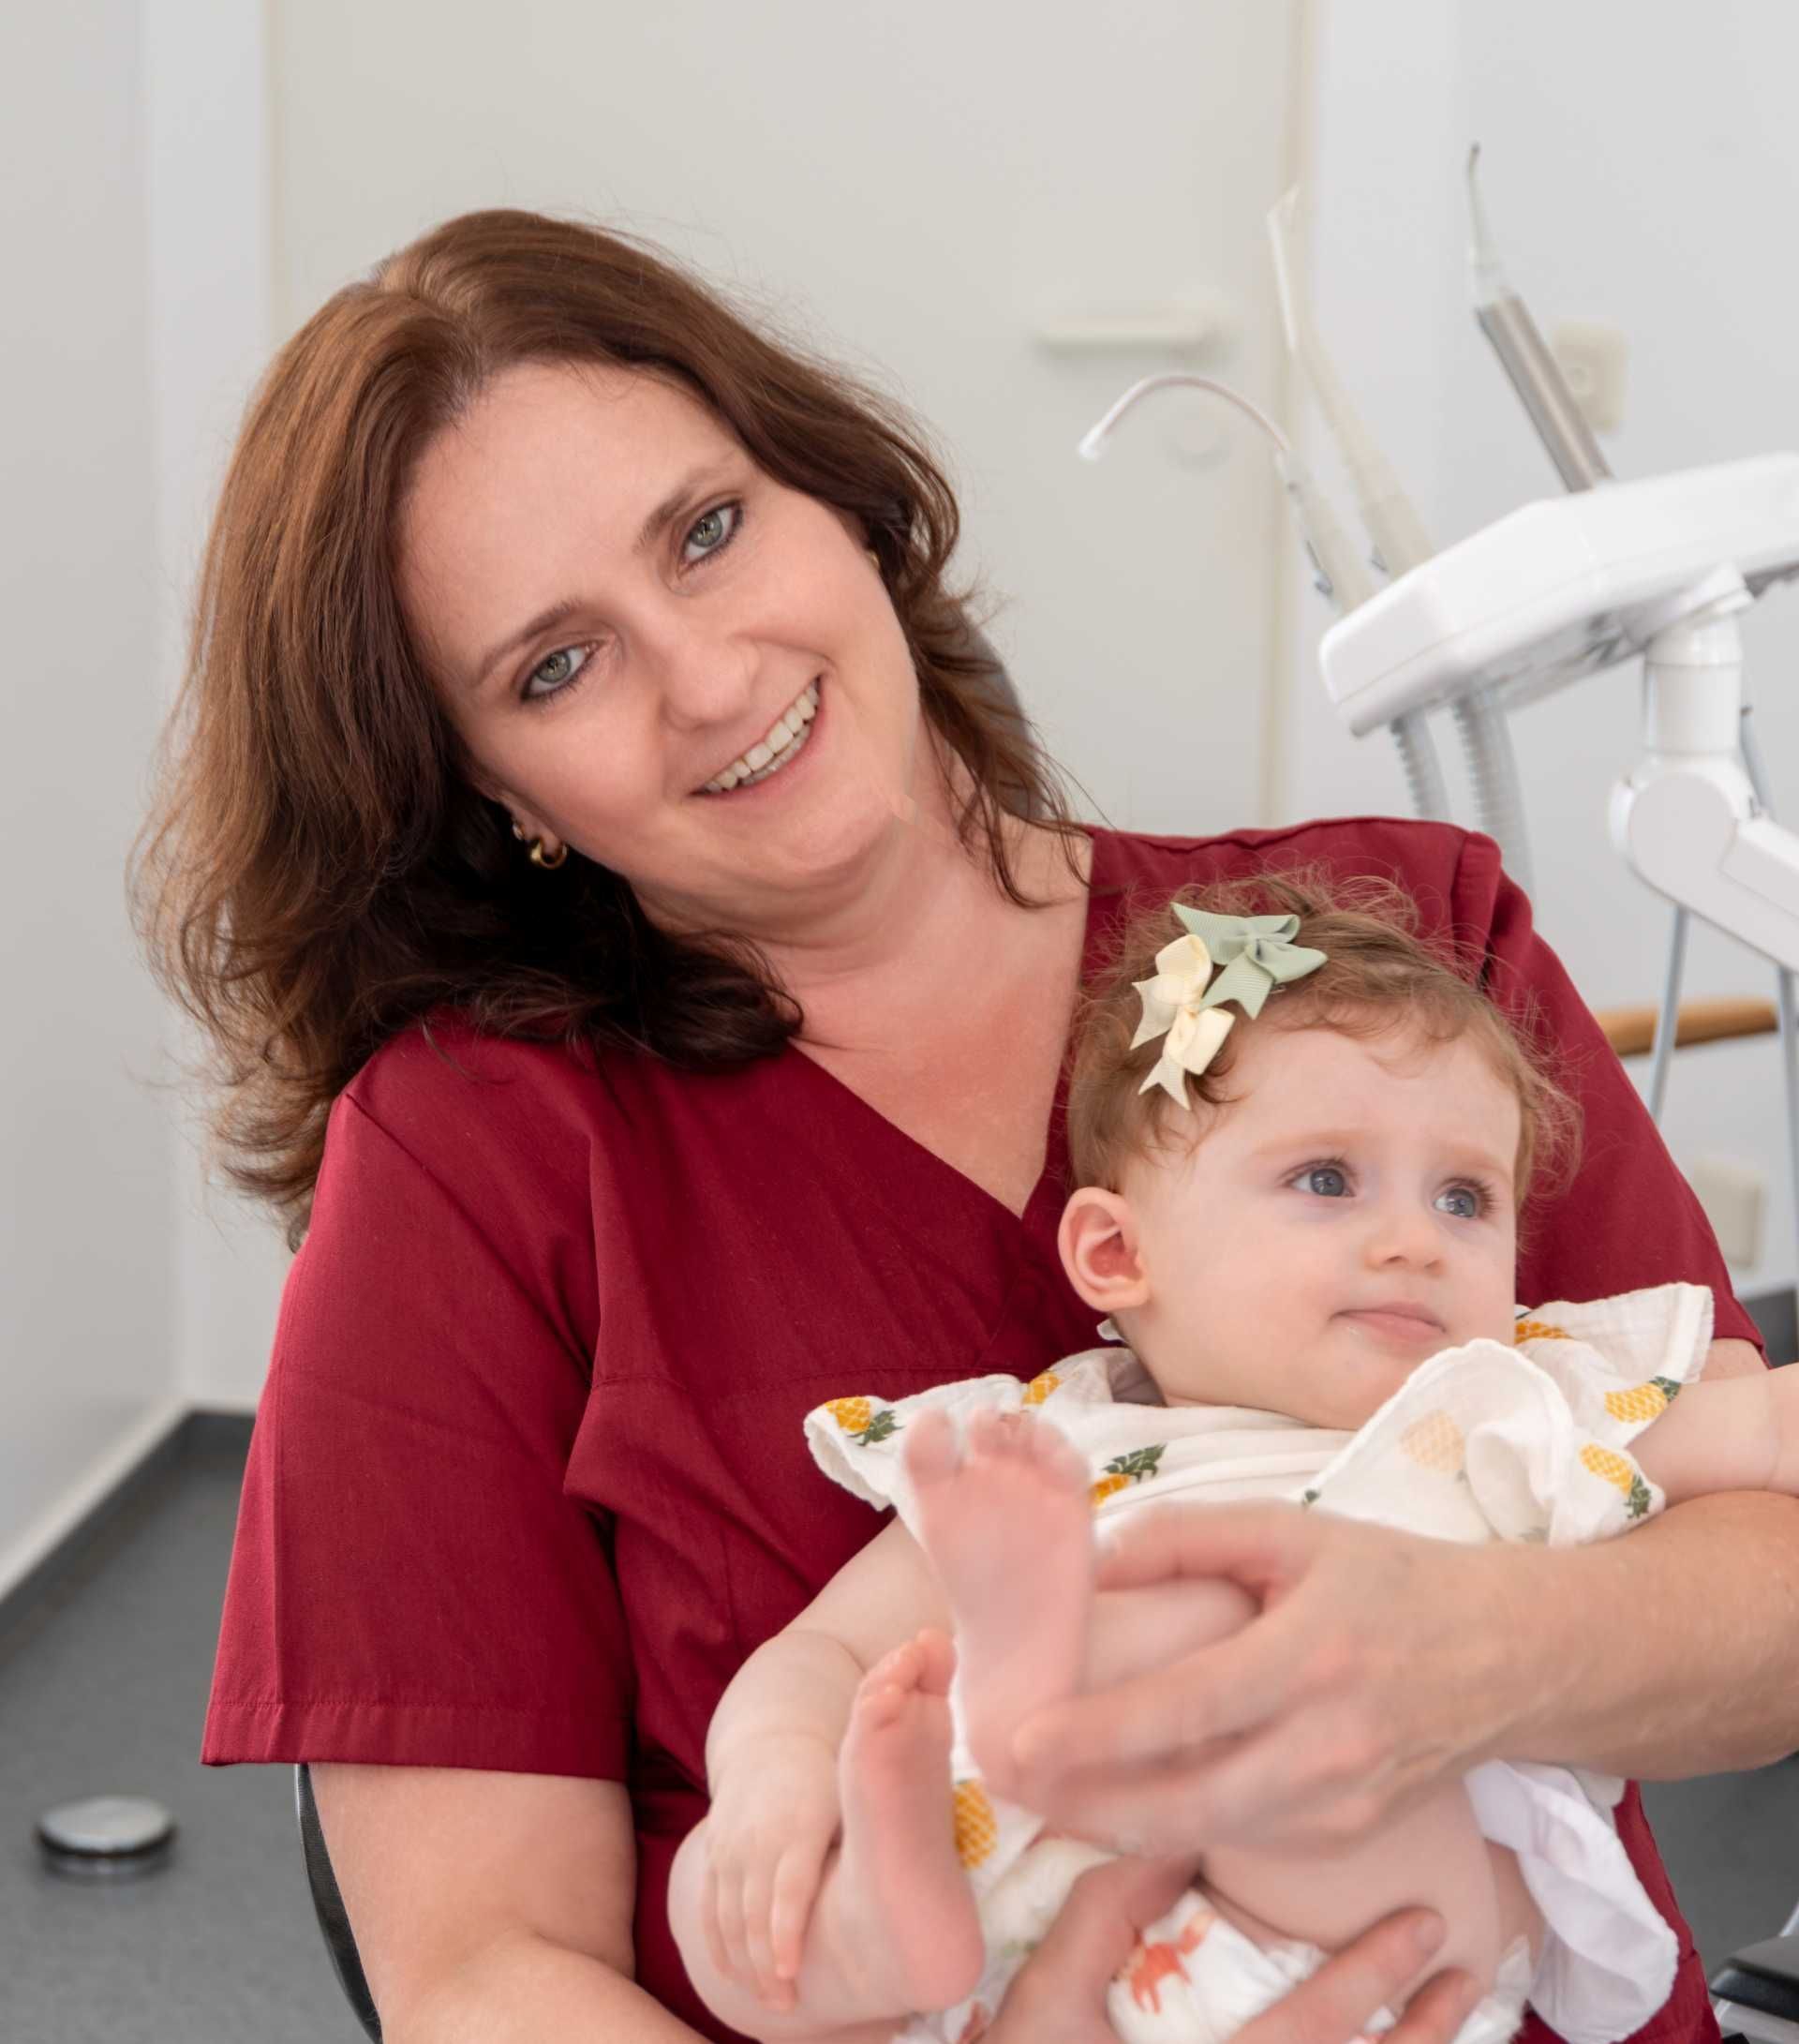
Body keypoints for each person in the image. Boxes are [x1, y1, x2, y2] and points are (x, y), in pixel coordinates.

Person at [129, 207, 1790, 2044]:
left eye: (706, 531)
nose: (708, 676)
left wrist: (1450, 1661)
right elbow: (479, 1975)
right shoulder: (475, 1160)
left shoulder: (1398, 964)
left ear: (837, 497)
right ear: (492, 794)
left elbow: (1770, 1581)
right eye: (555, 667)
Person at [672, 876, 1799, 2044]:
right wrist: (771, 1777)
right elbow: (824, 1651)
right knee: (732, 1924)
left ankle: (1038, 1692)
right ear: (1118, 1252)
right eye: (1327, 1180)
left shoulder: (1508, 1406)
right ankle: (893, 1913)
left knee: (1265, 1681)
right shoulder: (1045, 1450)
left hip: (1342, 1919)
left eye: (1466, 1197)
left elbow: (1764, 1429)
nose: (1415, 1240)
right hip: (1018, 1929)